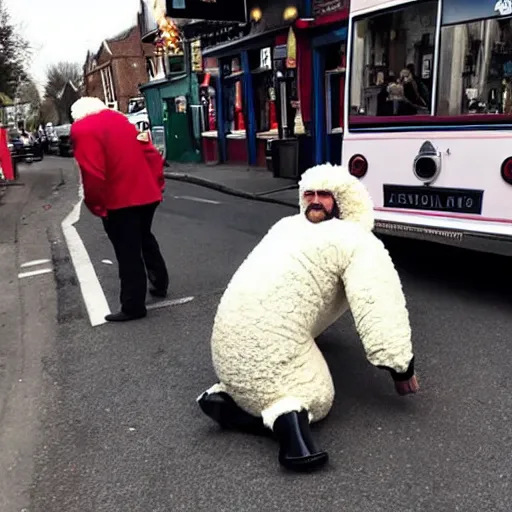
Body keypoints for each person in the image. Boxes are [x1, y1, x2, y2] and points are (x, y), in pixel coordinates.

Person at [197, 163, 418, 472]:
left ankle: (228, 396)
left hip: (224, 347)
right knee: (315, 394)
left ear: (342, 200)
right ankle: (288, 429)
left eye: (324, 195)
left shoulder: (285, 226)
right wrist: (401, 368)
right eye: (310, 194)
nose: (315, 201)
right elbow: (379, 304)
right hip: (270, 347)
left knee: (284, 323)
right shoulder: (356, 241)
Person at [70, 97, 169, 322]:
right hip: (147, 193)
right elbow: (150, 153)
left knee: (127, 251)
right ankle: (159, 283)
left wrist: (95, 204)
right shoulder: (121, 120)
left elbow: (92, 172)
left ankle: (133, 305)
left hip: (120, 199)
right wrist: (157, 184)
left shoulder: (83, 129)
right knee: (144, 237)